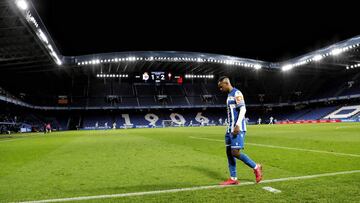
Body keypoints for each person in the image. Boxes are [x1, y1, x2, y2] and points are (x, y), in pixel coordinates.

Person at [217, 76, 262, 185]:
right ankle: (233, 178)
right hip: (229, 129)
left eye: (221, 86)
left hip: (237, 128)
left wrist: (237, 125)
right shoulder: (228, 96)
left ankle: (256, 167)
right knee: (229, 153)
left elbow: (243, 108)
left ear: (226, 83)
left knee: (235, 152)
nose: (220, 89)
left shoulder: (237, 93)